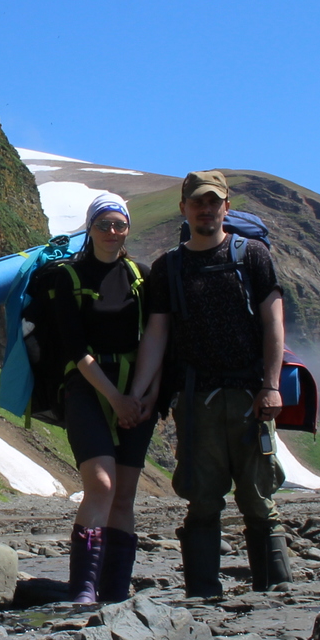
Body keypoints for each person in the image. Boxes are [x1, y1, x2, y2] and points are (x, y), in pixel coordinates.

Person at [128, 170, 293, 596]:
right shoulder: (168, 267)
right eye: (198, 202)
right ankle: (203, 597)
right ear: (184, 208)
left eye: (213, 202)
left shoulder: (253, 256)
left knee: (259, 499)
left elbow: (274, 322)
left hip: (250, 397)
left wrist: (271, 386)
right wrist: (140, 392)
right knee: (201, 500)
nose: (206, 209)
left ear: (226, 206)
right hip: (195, 402)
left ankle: (277, 594)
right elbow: (157, 334)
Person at [23, 192, 158, 604]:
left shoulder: (140, 276)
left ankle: (114, 593)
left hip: (135, 391)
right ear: (90, 228)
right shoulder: (68, 277)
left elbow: (155, 335)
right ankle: (83, 588)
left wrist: (140, 396)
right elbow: (76, 349)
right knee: (100, 484)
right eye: (104, 225)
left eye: (119, 225)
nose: (112, 233)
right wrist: (116, 398)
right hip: (85, 386)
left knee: (124, 495)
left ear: (127, 229)